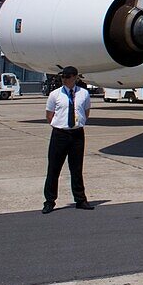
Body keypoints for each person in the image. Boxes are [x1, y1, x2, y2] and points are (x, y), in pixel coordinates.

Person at [43, 66, 93, 213]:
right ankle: (49, 201)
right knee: (54, 168)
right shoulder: (55, 94)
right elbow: (49, 115)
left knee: (76, 168)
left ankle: (80, 200)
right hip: (60, 134)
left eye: (68, 76)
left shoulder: (84, 94)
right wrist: (59, 125)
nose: (64, 79)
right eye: (63, 77)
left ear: (75, 78)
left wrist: (77, 123)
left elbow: (86, 112)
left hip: (77, 134)